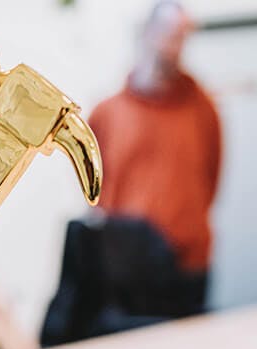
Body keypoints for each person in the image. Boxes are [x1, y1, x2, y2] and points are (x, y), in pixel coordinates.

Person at [88, 1, 223, 316]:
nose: (174, 46)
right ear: (147, 33)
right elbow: (93, 189)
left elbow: (212, 178)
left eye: (182, 37)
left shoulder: (203, 109)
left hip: (188, 264)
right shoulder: (108, 113)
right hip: (127, 268)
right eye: (169, 34)